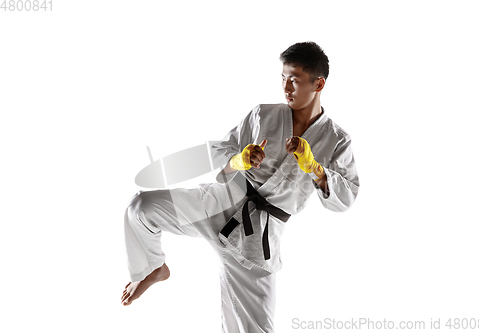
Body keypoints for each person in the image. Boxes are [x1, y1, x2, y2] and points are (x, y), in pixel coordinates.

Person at [121, 41, 360, 333]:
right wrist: (239, 160)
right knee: (141, 208)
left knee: (252, 329)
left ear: (318, 83)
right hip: (218, 202)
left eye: (294, 80)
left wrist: (315, 169)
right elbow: (224, 156)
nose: (286, 88)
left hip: (257, 238)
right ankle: (152, 268)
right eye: (283, 78)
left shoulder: (336, 140)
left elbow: (346, 197)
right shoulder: (262, 114)